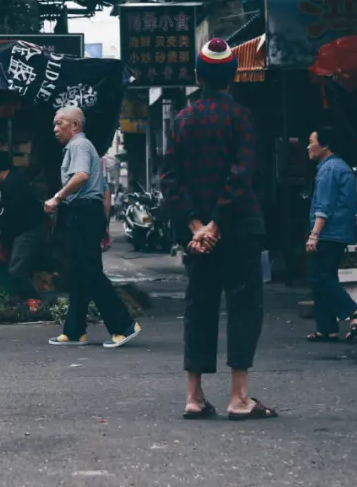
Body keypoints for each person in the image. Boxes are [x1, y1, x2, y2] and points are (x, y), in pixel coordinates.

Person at [161, 38, 274, 421]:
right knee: (243, 306)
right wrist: (216, 224)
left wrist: (196, 225)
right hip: (238, 228)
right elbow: (241, 176)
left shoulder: (180, 120)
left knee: (199, 305)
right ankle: (239, 397)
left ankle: (194, 396)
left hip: (197, 239)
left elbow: (170, 179)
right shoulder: (242, 117)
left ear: (197, 76)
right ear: (233, 75)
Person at [45, 106, 141, 348]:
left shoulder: (78, 146)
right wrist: (105, 224)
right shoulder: (85, 148)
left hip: (83, 211)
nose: (55, 129)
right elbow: (105, 190)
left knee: (89, 271)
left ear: (75, 126)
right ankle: (75, 330)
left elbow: (81, 177)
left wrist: (57, 197)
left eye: (60, 123)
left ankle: (124, 325)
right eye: (55, 124)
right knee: (78, 271)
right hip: (89, 212)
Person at [305, 127, 357, 342]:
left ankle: (354, 313)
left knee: (318, 275)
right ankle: (327, 328)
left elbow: (325, 205)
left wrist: (314, 235)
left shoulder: (329, 170)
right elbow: (344, 201)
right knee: (326, 275)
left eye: (311, 142)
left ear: (324, 146)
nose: (308, 146)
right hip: (339, 232)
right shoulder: (339, 167)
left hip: (329, 232)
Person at [0, 151, 48, 306]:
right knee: (23, 270)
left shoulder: (12, 184)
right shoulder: (14, 180)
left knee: (17, 271)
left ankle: (37, 303)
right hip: (28, 228)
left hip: (29, 230)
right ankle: (26, 302)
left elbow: (12, 212)